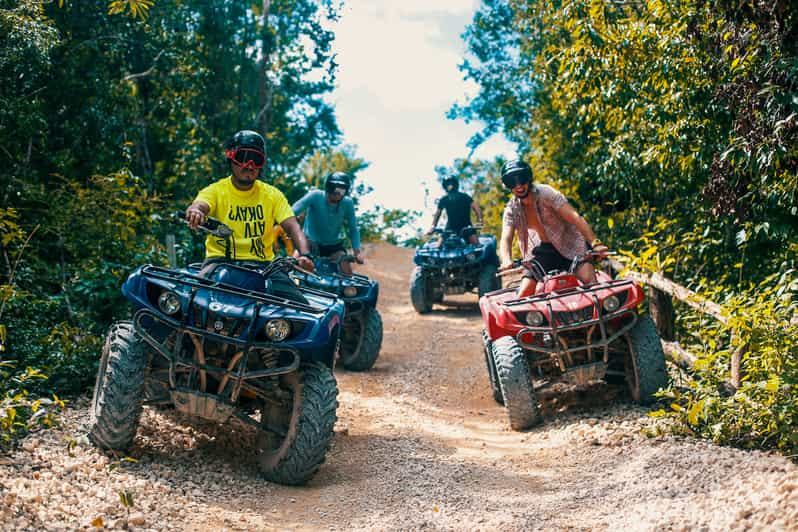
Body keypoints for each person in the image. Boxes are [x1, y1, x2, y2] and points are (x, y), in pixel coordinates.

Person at [185, 130, 314, 300]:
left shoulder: (272, 195)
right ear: (230, 157)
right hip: (219, 262)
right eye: (243, 157)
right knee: (193, 302)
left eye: (257, 160)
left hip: (266, 266)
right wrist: (195, 211)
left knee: (301, 312)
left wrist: (305, 255)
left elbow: (292, 226)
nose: (250, 165)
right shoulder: (215, 190)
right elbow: (201, 205)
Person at [498, 159, 609, 298]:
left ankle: (599, 318)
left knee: (590, 282)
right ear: (507, 185)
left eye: (522, 179)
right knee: (524, 293)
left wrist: (595, 243)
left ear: (529, 178)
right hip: (545, 251)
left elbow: (575, 217)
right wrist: (506, 259)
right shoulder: (511, 209)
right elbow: (506, 237)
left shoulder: (546, 193)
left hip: (571, 244)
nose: (518, 185)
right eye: (511, 182)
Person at [291, 171, 363, 275]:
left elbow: (353, 229)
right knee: (294, 261)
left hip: (333, 246)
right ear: (329, 187)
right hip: (310, 243)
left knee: (346, 267)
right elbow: (292, 211)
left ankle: (346, 290)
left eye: (342, 191)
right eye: (336, 189)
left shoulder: (347, 203)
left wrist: (357, 252)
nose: (338, 194)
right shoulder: (315, 195)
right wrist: (292, 219)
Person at [427, 176, 482, 245]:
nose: (450, 186)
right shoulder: (444, 199)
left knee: (477, 247)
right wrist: (433, 226)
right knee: (438, 248)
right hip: (450, 228)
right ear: (445, 186)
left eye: (451, 183)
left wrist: (480, 221)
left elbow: (476, 208)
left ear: (456, 185)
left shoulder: (464, 196)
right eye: (448, 184)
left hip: (466, 227)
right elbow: (437, 213)